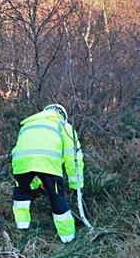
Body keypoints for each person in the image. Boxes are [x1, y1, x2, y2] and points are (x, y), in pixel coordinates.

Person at [10, 103, 85, 243]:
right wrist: (76, 183)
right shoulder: (64, 126)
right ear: (63, 115)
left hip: (20, 163)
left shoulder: (29, 123)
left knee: (21, 192)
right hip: (48, 164)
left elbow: (31, 154)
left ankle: (21, 227)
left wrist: (37, 183)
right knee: (57, 198)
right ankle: (68, 238)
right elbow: (73, 158)